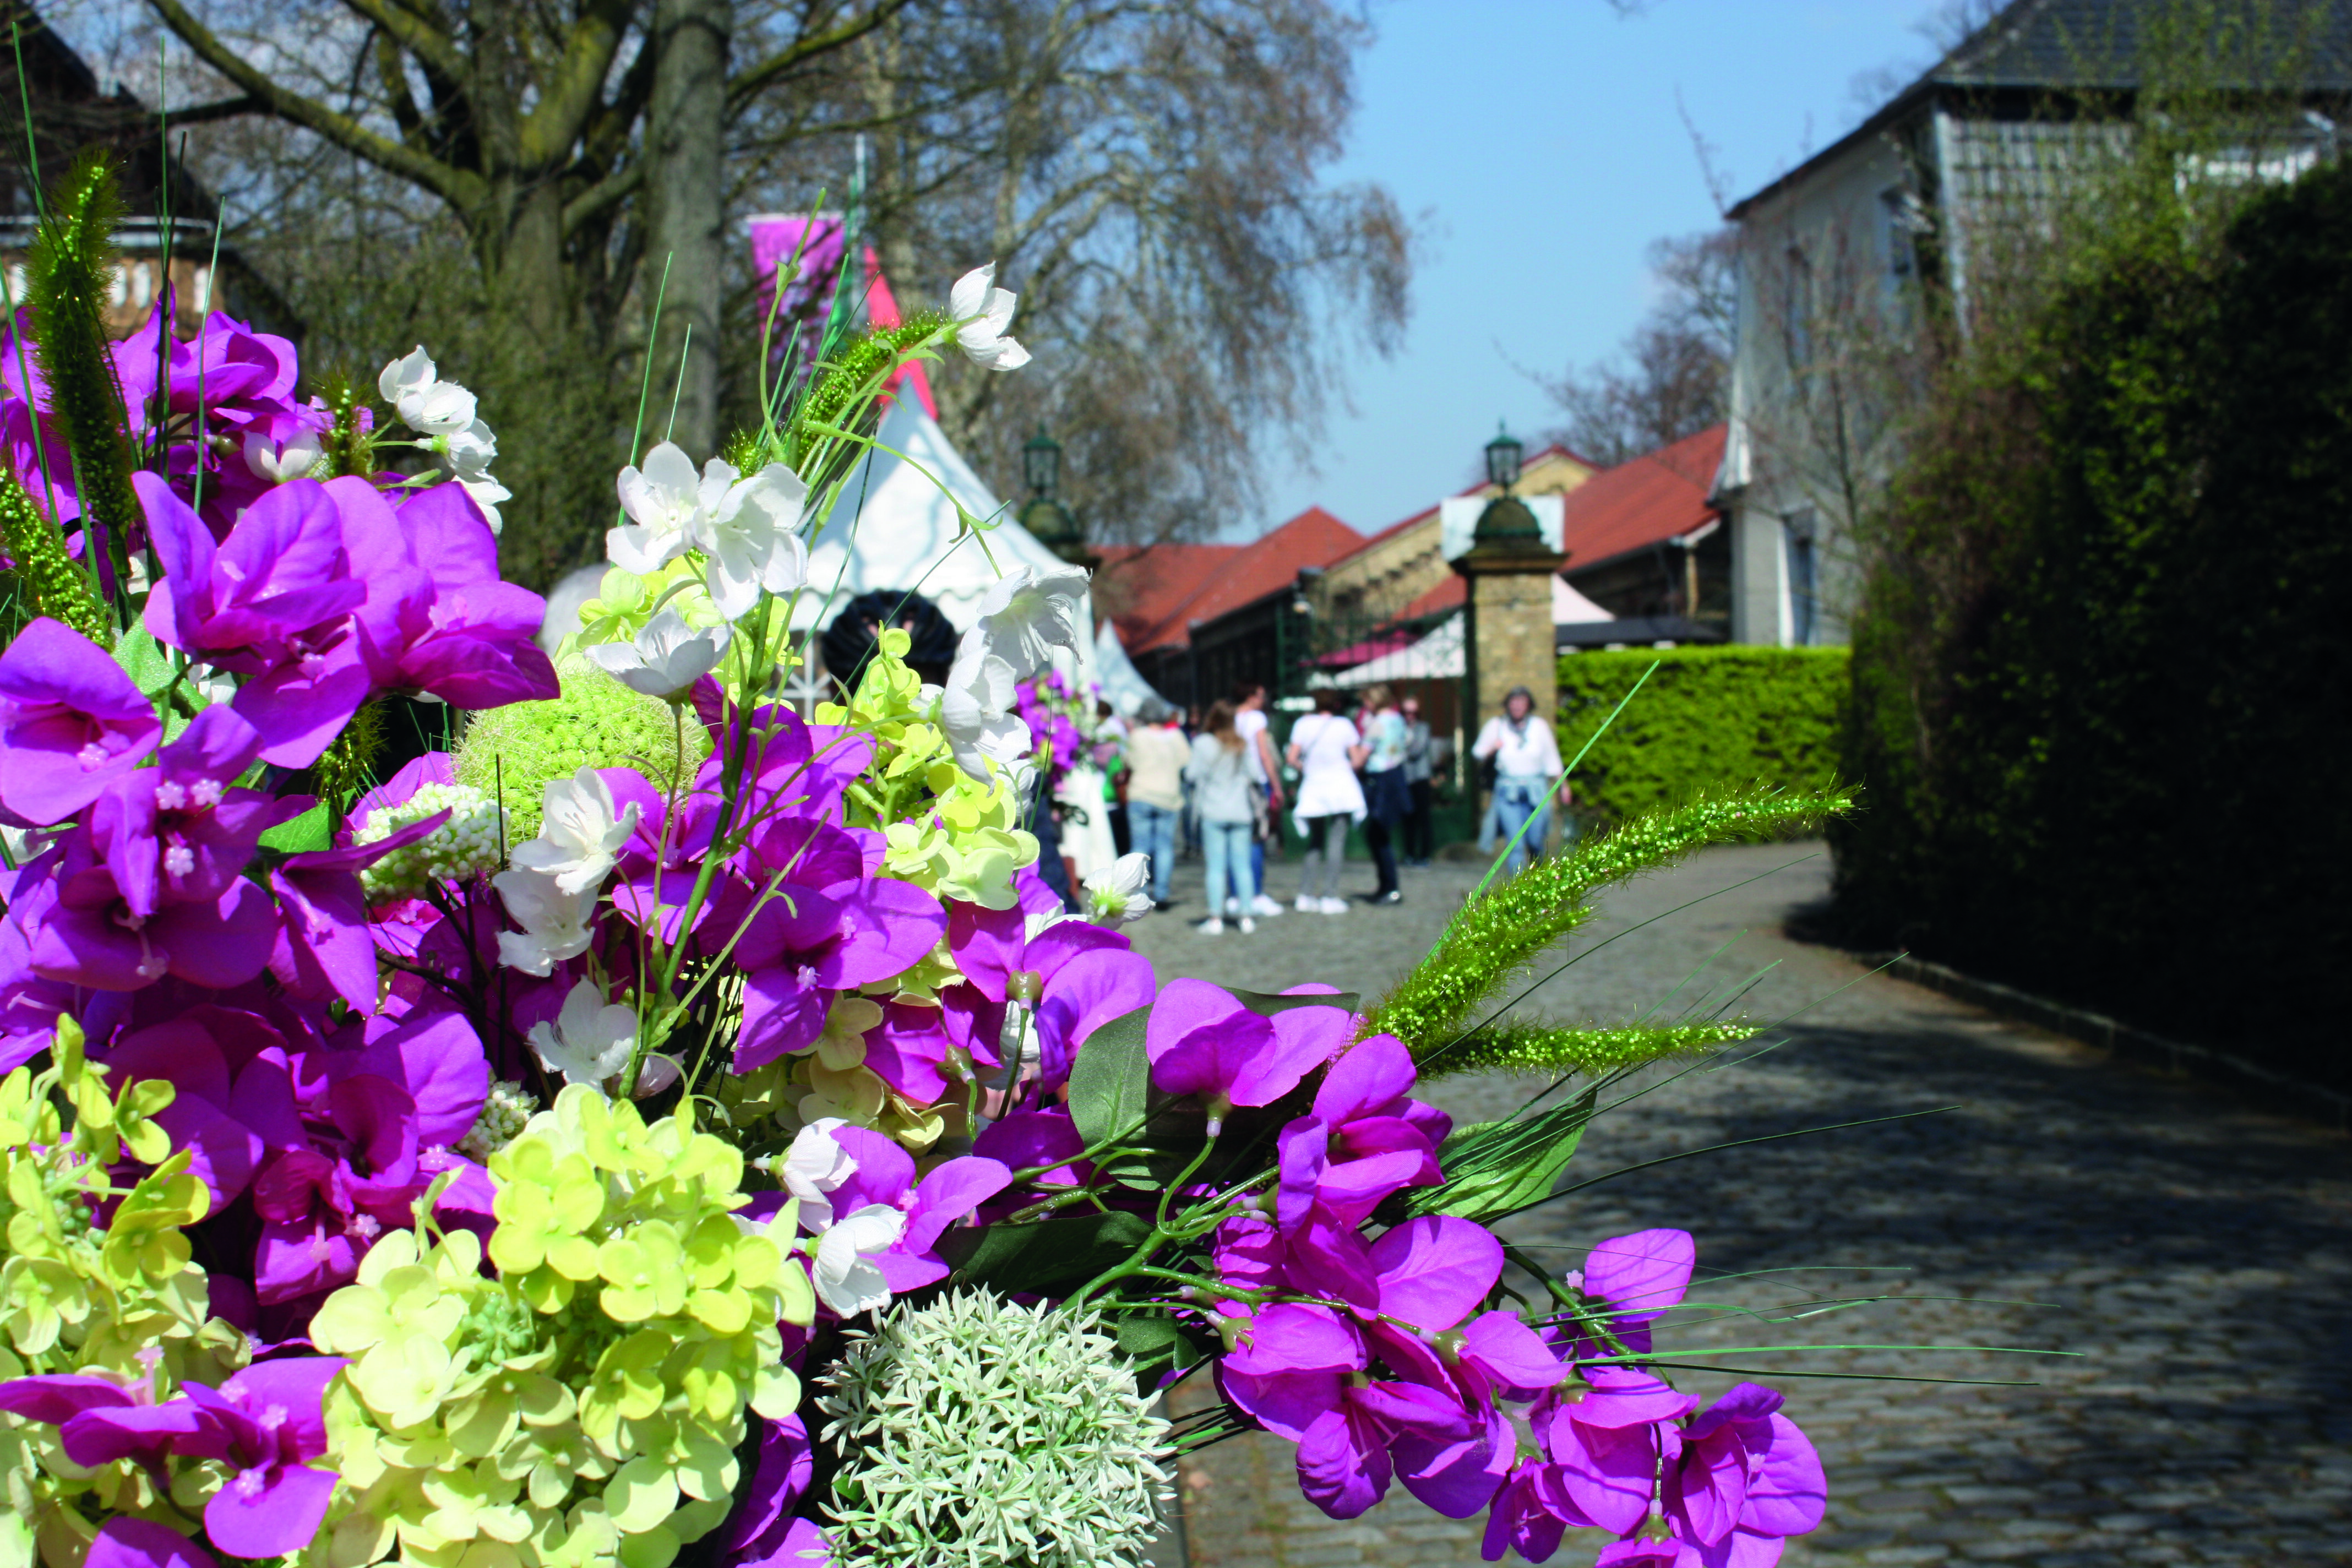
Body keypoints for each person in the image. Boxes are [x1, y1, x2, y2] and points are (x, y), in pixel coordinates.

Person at [1471, 685, 1568, 876]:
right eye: (1513, 702)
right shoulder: (1497, 725)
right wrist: (1493, 748)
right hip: (1508, 792)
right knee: (1514, 843)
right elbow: (1478, 753)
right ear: (1507, 705)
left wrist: (1563, 786)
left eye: (1521, 702)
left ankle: (1539, 879)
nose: (1517, 706)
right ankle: (1518, 889)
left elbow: (1552, 758)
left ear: (1529, 705)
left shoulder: (1539, 726)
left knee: (1535, 841)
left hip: (1536, 789)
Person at [1285, 688, 1366, 914]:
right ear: (1337, 704)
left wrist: (1307, 768)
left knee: (1315, 841)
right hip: (1340, 787)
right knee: (1337, 841)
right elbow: (1357, 759)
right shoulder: (1344, 726)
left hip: (1314, 787)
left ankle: (1305, 894)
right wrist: (1342, 769)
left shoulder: (1303, 725)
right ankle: (1329, 896)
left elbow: (1291, 757)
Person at [1185, 701, 1259, 935]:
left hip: (1213, 810)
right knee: (1242, 866)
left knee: (1216, 868)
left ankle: (1215, 918)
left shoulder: (1202, 744)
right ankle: (1246, 916)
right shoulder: (1241, 745)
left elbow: (1191, 774)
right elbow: (1256, 774)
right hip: (1240, 811)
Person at [1123, 701, 1189, 908]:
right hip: (1168, 796)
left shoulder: (1137, 736)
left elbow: (1128, 761)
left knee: (1140, 847)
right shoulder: (1176, 736)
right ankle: (1161, 893)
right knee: (1165, 847)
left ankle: (1139, 892)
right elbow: (1186, 760)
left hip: (1141, 793)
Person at [1231, 682, 1288, 919]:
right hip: (1256, 781)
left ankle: (1235, 894)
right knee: (1256, 839)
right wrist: (1276, 786)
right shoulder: (1257, 718)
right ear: (1251, 696)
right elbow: (1264, 754)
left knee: (1234, 841)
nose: (1263, 700)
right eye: (1261, 695)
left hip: (1233, 782)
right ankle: (1254, 893)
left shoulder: (1230, 716)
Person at [1355, 683, 1409, 905]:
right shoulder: (1398, 720)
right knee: (1380, 835)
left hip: (1380, 780)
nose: (1365, 706)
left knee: (1378, 836)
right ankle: (1386, 885)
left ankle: (1390, 887)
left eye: (1367, 701)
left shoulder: (1377, 724)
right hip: (1396, 776)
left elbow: (1361, 757)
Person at [1401, 694, 1435, 865]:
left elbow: (1417, 750)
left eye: (1413, 713)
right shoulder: (1399, 727)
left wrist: (1400, 751)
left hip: (1420, 778)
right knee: (1408, 819)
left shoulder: (1423, 728)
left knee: (1423, 819)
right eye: (1406, 713)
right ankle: (1409, 854)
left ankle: (1424, 856)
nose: (1410, 716)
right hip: (1405, 778)